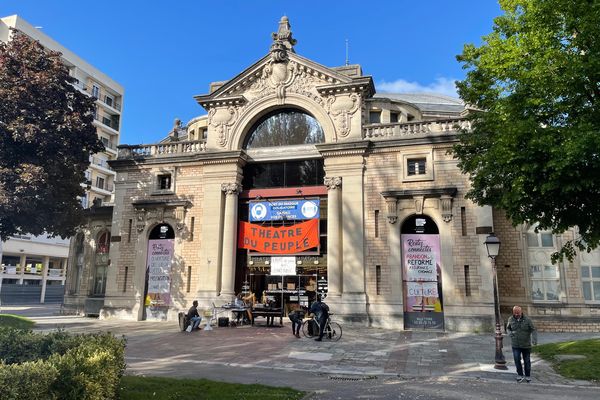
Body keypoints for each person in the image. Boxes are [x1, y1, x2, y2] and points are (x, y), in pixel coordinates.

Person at [506, 305, 537, 382]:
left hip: (526, 345)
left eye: (518, 313)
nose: (517, 314)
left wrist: (534, 340)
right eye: (515, 313)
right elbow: (508, 328)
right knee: (517, 360)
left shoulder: (527, 320)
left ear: (521, 312)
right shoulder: (510, 319)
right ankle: (520, 374)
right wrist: (510, 333)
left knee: (526, 361)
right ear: (513, 312)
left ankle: (527, 375)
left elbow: (533, 330)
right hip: (515, 344)